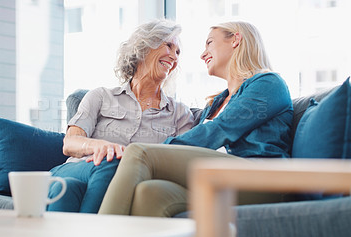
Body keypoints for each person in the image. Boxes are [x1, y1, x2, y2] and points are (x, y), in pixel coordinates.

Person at [98, 21, 294, 216]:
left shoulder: (268, 83)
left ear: (235, 39)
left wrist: (154, 152)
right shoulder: (214, 104)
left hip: (259, 180)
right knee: (149, 193)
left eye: (209, 43)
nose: (202, 54)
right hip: (216, 180)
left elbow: (220, 130)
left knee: (140, 153)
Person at [47, 19, 194, 213]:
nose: (174, 56)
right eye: (169, 45)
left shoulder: (180, 114)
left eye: (178, 52)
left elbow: (184, 164)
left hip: (119, 182)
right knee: (111, 160)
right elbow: (70, 143)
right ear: (144, 46)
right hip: (77, 168)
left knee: (69, 190)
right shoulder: (100, 96)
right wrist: (98, 145)